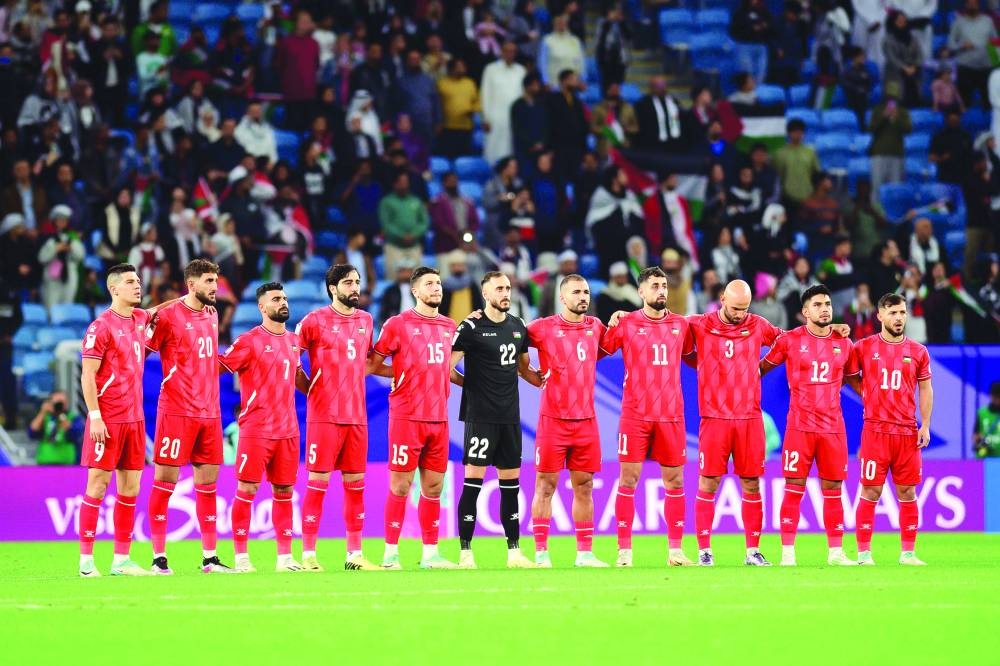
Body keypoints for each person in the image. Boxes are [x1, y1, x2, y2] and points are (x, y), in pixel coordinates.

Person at [77, 264, 170, 577]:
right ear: (114, 288)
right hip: (107, 418)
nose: (138, 286)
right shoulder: (100, 326)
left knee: (130, 488)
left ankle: (121, 560)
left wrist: (191, 296)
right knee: (98, 485)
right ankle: (87, 561)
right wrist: (95, 416)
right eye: (131, 282)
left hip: (134, 420)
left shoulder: (140, 319)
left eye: (139, 281)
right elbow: (87, 375)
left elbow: (156, 310)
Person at [601, 267, 696, 567]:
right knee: (628, 480)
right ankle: (624, 553)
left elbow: (696, 358)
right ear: (641, 292)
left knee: (675, 481)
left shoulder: (682, 325)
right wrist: (612, 321)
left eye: (664, 285)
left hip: (671, 415)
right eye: (654, 286)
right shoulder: (627, 323)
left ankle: (676, 551)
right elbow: (598, 350)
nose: (661, 291)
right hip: (635, 415)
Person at [760, 285, 860, 567]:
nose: (825, 308)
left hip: (833, 429)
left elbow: (854, 380)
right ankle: (788, 554)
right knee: (794, 487)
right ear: (805, 312)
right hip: (799, 429)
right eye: (817, 304)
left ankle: (836, 553)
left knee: (833, 489)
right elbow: (760, 369)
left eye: (827, 303)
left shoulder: (844, 343)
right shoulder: (790, 341)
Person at [143, 259, 232, 575]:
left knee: (208, 487)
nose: (215, 287)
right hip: (176, 411)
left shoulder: (211, 313)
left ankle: (210, 558)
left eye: (215, 280)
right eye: (208, 281)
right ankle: (159, 559)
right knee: (164, 483)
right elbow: (143, 349)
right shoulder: (168, 317)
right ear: (191, 284)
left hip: (209, 413)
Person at [450, 272, 543, 569]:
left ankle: (514, 552)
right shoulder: (471, 327)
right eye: (499, 289)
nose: (506, 293)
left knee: (510, 486)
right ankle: (465, 552)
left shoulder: (518, 327)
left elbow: (522, 368)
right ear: (485, 294)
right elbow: (445, 368)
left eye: (508, 288)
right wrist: (470, 384)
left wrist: (542, 380)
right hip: (480, 417)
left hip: (509, 417)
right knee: (473, 483)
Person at [368, 266, 459, 570]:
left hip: (439, 417)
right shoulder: (398, 324)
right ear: (415, 291)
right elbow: (372, 364)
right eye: (429, 284)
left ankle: (430, 554)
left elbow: (445, 368)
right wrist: (402, 373)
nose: (437, 288)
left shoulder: (449, 326)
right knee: (401, 486)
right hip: (407, 416)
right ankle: (390, 553)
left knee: (433, 487)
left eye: (438, 283)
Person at [294, 264, 380, 571]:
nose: (355, 287)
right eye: (348, 283)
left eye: (357, 282)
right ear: (333, 288)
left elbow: (369, 362)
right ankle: (308, 556)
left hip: (357, 418)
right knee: (317, 485)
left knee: (356, 487)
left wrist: (411, 371)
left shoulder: (367, 320)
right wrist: (312, 391)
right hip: (324, 418)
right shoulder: (314, 321)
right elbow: (291, 359)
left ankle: (354, 555)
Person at [218, 282, 307, 573]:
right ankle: (242, 557)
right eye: (275, 299)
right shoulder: (249, 341)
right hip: (256, 428)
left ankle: (284, 558)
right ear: (261, 307)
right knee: (247, 488)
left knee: (284, 491)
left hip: (288, 430)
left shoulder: (294, 342)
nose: (283, 303)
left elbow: (299, 378)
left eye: (284, 298)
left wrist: (325, 389)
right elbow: (218, 367)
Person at [527, 274, 610, 567]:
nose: (583, 297)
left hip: (586, 421)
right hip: (553, 420)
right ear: (562, 297)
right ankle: (540, 553)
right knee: (545, 485)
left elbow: (617, 339)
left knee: (584, 486)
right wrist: (529, 374)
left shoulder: (596, 327)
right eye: (576, 292)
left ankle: (585, 553)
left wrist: (623, 315)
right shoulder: (542, 328)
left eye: (586, 292)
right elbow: (509, 340)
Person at [846, 292, 933, 565]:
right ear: (880, 315)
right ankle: (863, 554)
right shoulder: (863, 347)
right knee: (870, 491)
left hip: (907, 432)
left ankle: (908, 553)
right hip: (875, 432)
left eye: (902, 313)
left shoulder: (918, 351)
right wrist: (867, 394)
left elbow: (926, 388)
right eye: (893, 313)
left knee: (907, 492)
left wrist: (926, 425)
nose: (898, 318)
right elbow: (849, 374)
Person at [480, 41, 526, 165]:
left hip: (516, 118)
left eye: (513, 51)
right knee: (494, 150)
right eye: (507, 51)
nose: (510, 54)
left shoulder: (521, 70)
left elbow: (523, 95)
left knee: (512, 150)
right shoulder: (490, 69)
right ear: (501, 52)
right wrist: (485, 118)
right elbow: (485, 94)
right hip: (495, 117)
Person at [379, 170, 429, 276]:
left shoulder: (416, 201)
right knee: (394, 279)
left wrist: (414, 235)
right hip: (394, 247)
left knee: (418, 280)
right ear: (395, 184)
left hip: (414, 246)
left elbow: (424, 222)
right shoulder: (387, 202)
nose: (404, 185)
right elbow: (386, 224)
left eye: (406, 182)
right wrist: (402, 236)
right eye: (401, 182)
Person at [30, 389, 82, 465]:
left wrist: (62, 417)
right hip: (45, 462)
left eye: (62, 402)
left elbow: (77, 435)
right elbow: (32, 432)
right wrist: (43, 411)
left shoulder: (73, 417)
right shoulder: (45, 417)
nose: (59, 405)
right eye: (56, 402)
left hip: (68, 463)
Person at [973, 381, 1000, 457]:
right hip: (985, 459)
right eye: (995, 397)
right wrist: (981, 441)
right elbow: (975, 435)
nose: (997, 400)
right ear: (990, 396)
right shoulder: (982, 413)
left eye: (999, 397)